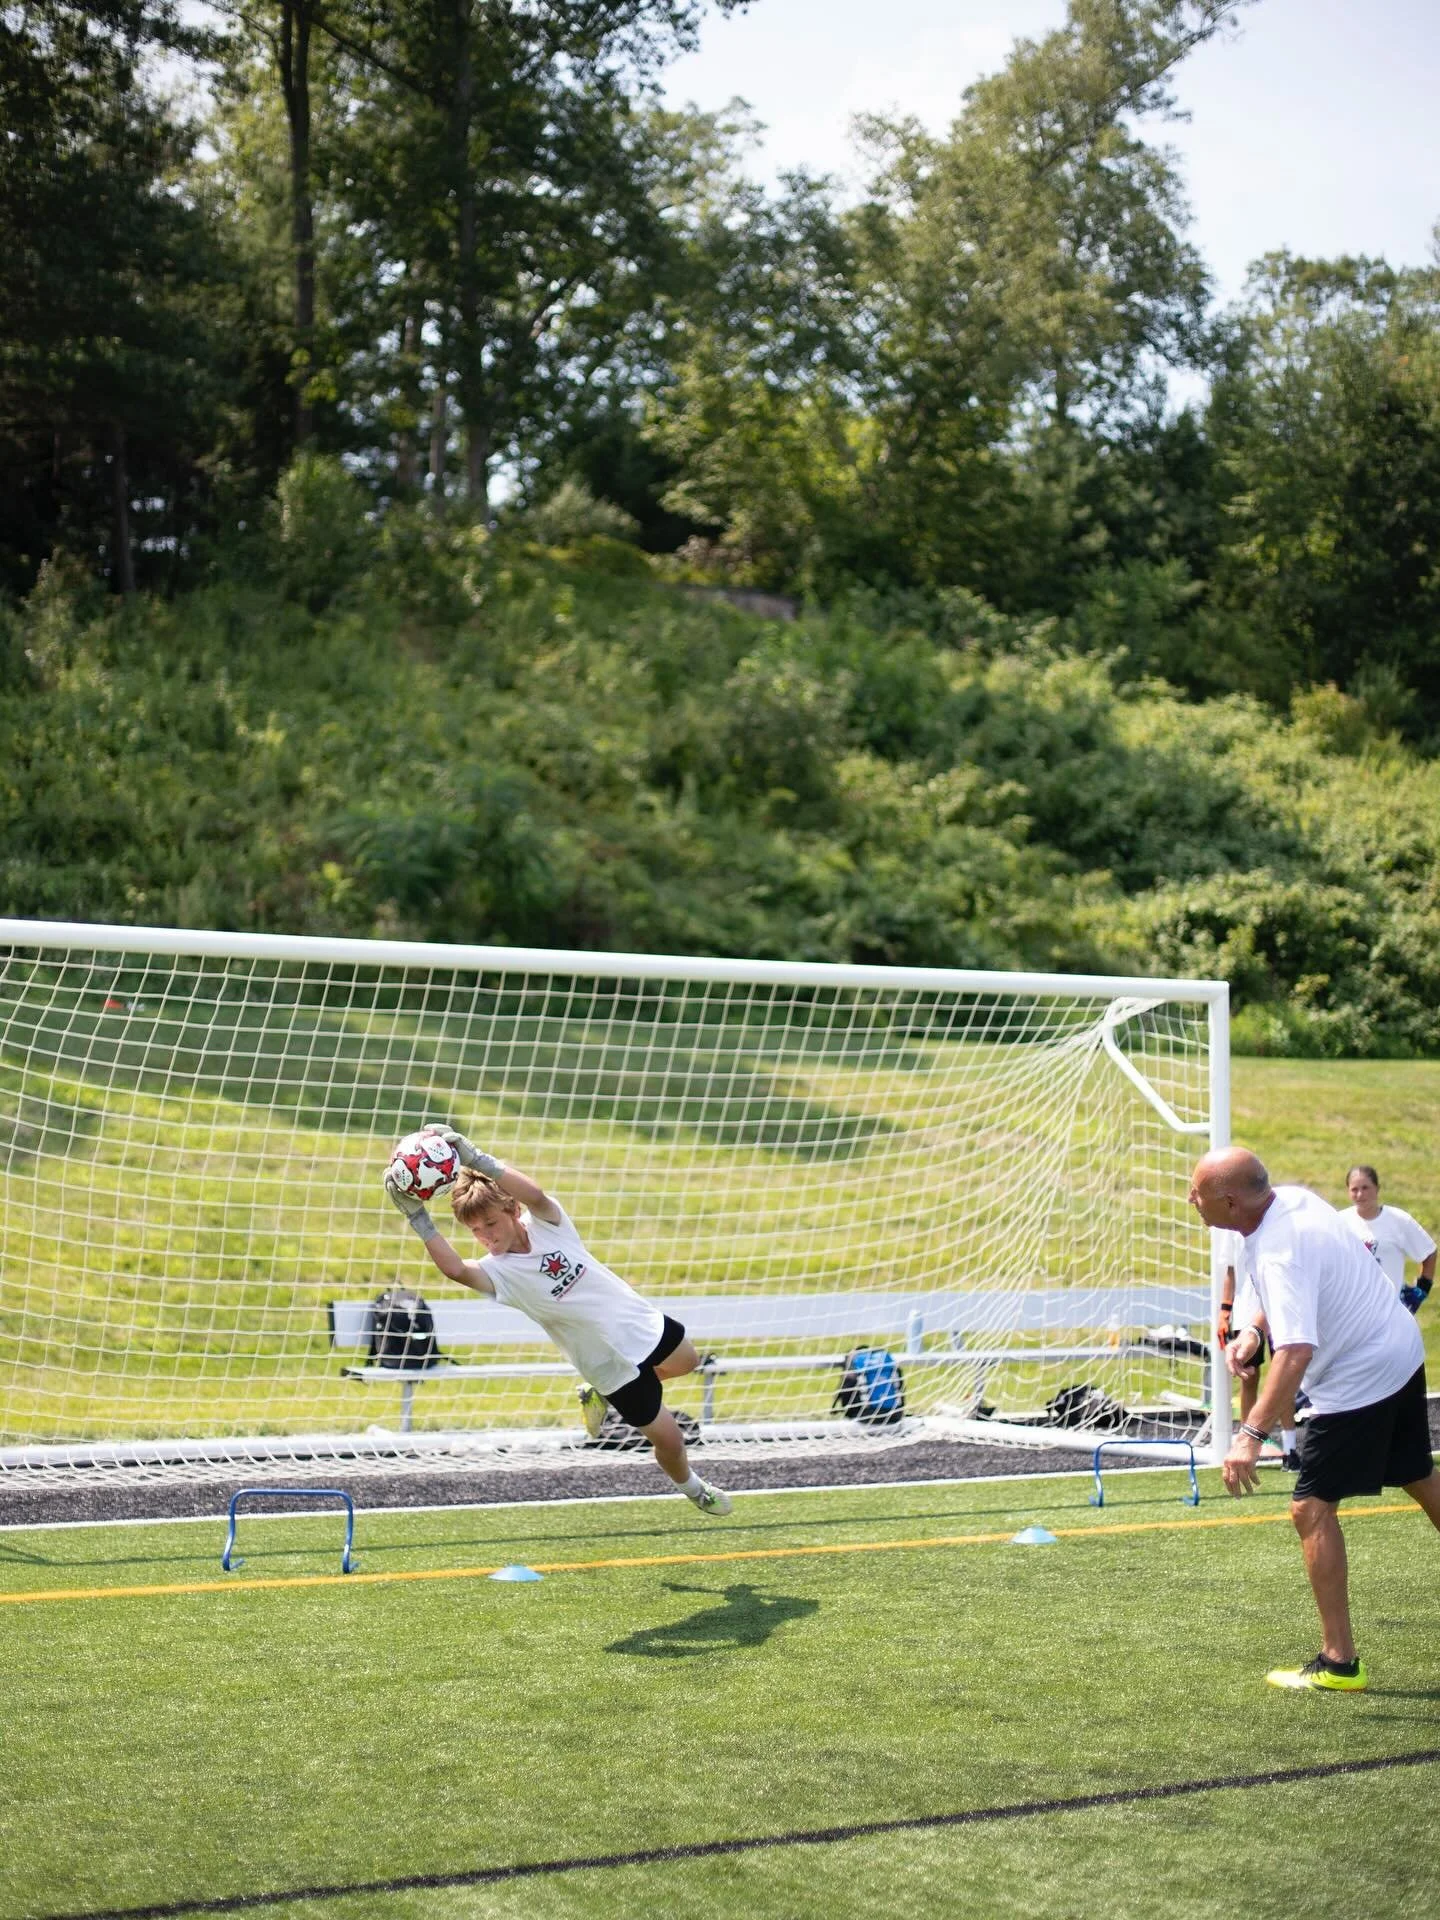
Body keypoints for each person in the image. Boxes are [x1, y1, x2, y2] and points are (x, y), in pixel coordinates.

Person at [383, 1125, 732, 1517]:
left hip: (640, 1323)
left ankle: (602, 1400)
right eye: (475, 1231)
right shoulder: (499, 1273)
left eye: (491, 1225)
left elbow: (535, 1194)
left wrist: (475, 1157)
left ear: (512, 1210)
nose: (485, 1237)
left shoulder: (550, 1225)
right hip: (607, 1365)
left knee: (688, 1360)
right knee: (670, 1438)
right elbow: (454, 1270)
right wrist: (418, 1217)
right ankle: (694, 1488)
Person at [1190, 1146, 1440, 1692]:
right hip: (1399, 1349)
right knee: (1420, 1478)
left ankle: (1339, 1663)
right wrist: (1254, 1329)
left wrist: (1249, 1435)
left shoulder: (1279, 1248)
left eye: (1198, 1192)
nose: (1191, 1199)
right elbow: (1291, 1298)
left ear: (1230, 1201)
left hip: (1359, 1379)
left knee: (1310, 1509)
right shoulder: (1293, 1203)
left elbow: (1297, 1350)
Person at [1339, 1164, 1436, 1313]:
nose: (1360, 1194)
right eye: (1354, 1189)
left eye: (1365, 1188)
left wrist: (1421, 1289)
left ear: (1377, 1188)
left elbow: (1429, 1252)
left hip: (1389, 1313)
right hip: (1351, 1312)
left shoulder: (1398, 1220)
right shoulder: (1339, 1222)